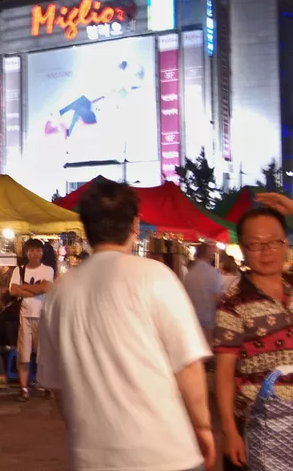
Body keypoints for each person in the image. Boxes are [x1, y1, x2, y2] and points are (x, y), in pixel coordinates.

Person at [38, 180, 215, 471]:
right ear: (135, 224)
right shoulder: (156, 276)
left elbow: (58, 385)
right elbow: (188, 365)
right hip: (165, 454)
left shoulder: (60, 291)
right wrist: (203, 426)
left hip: (93, 457)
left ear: (86, 228)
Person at [213, 207, 293, 471]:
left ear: (285, 243)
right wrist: (229, 432)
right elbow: (224, 373)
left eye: (273, 242)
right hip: (262, 427)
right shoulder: (233, 303)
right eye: (256, 244)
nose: (266, 251)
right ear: (243, 250)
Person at [9, 238, 55, 402]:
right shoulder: (18, 270)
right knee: (23, 354)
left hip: (43, 316)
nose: (35, 254)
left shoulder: (47, 269)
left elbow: (45, 287)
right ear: (27, 252)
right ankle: (24, 388)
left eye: (38, 251)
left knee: (44, 354)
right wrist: (35, 290)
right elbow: (13, 290)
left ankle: (47, 386)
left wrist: (24, 288)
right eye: (32, 250)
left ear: (42, 253)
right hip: (25, 316)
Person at [183, 243, 226, 348]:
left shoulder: (189, 274)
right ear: (207, 249)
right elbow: (219, 298)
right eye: (212, 247)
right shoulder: (212, 273)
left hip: (192, 322)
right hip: (209, 324)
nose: (214, 251)